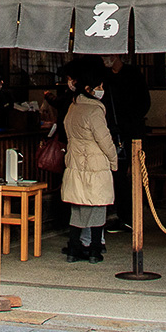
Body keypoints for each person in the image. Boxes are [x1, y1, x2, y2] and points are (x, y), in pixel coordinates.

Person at [60, 60, 117, 263]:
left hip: (75, 164)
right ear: (88, 88)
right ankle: (94, 250)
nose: (101, 89)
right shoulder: (95, 111)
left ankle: (74, 249)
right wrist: (114, 160)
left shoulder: (72, 108)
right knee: (97, 208)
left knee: (78, 209)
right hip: (96, 166)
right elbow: (105, 140)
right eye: (98, 86)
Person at [104, 54, 149, 229]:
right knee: (116, 175)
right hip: (112, 132)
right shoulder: (106, 77)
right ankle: (116, 215)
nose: (104, 59)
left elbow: (144, 103)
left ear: (116, 56)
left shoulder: (133, 74)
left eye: (107, 56)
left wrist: (130, 121)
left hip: (132, 131)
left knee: (132, 173)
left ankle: (131, 217)